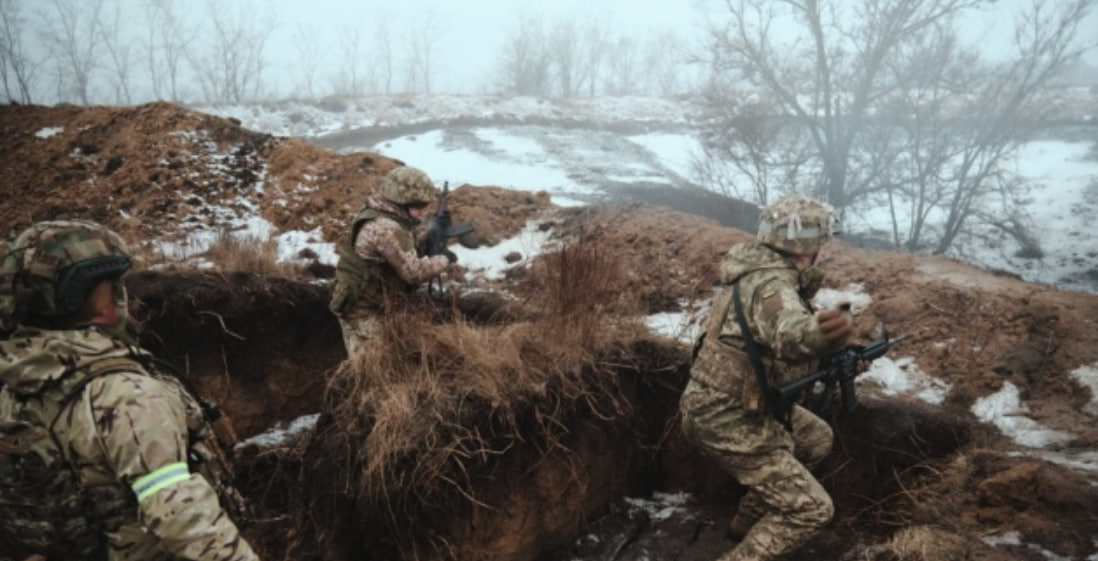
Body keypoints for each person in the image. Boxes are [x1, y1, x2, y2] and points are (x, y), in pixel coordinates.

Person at [0, 219, 260, 561]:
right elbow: (186, 520)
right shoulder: (126, 396)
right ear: (91, 299)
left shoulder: (15, 378)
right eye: (111, 286)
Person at [679, 194, 855, 561]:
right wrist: (820, 337)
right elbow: (789, 334)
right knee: (812, 510)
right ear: (809, 249)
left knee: (815, 439)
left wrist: (833, 349)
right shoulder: (771, 286)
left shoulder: (762, 273)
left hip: (734, 403)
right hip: (725, 416)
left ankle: (746, 522)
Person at [329, 165, 457, 357]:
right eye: (417, 207)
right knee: (375, 363)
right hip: (360, 311)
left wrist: (430, 234)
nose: (422, 212)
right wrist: (444, 259)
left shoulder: (385, 213)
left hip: (375, 301)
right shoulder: (386, 228)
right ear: (400, 202)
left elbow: (401, 250)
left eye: (425, 206)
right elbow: (413, 273)